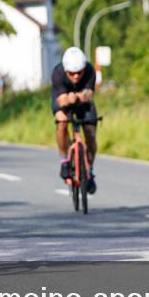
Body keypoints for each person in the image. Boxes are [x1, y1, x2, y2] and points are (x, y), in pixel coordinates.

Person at [51, 47, 98, 194]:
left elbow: (88, 94)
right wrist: (69, 99)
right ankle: (64, 160)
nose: (76, 76)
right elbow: (61, 100)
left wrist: (79, 97)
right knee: (62, 121)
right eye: (72, 73)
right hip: (63, 101)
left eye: (79, 72)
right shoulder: (58, 73)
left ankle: (89, 171)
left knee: (90, 134)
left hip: (83, 103)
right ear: (66, 71)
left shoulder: (90, 70)